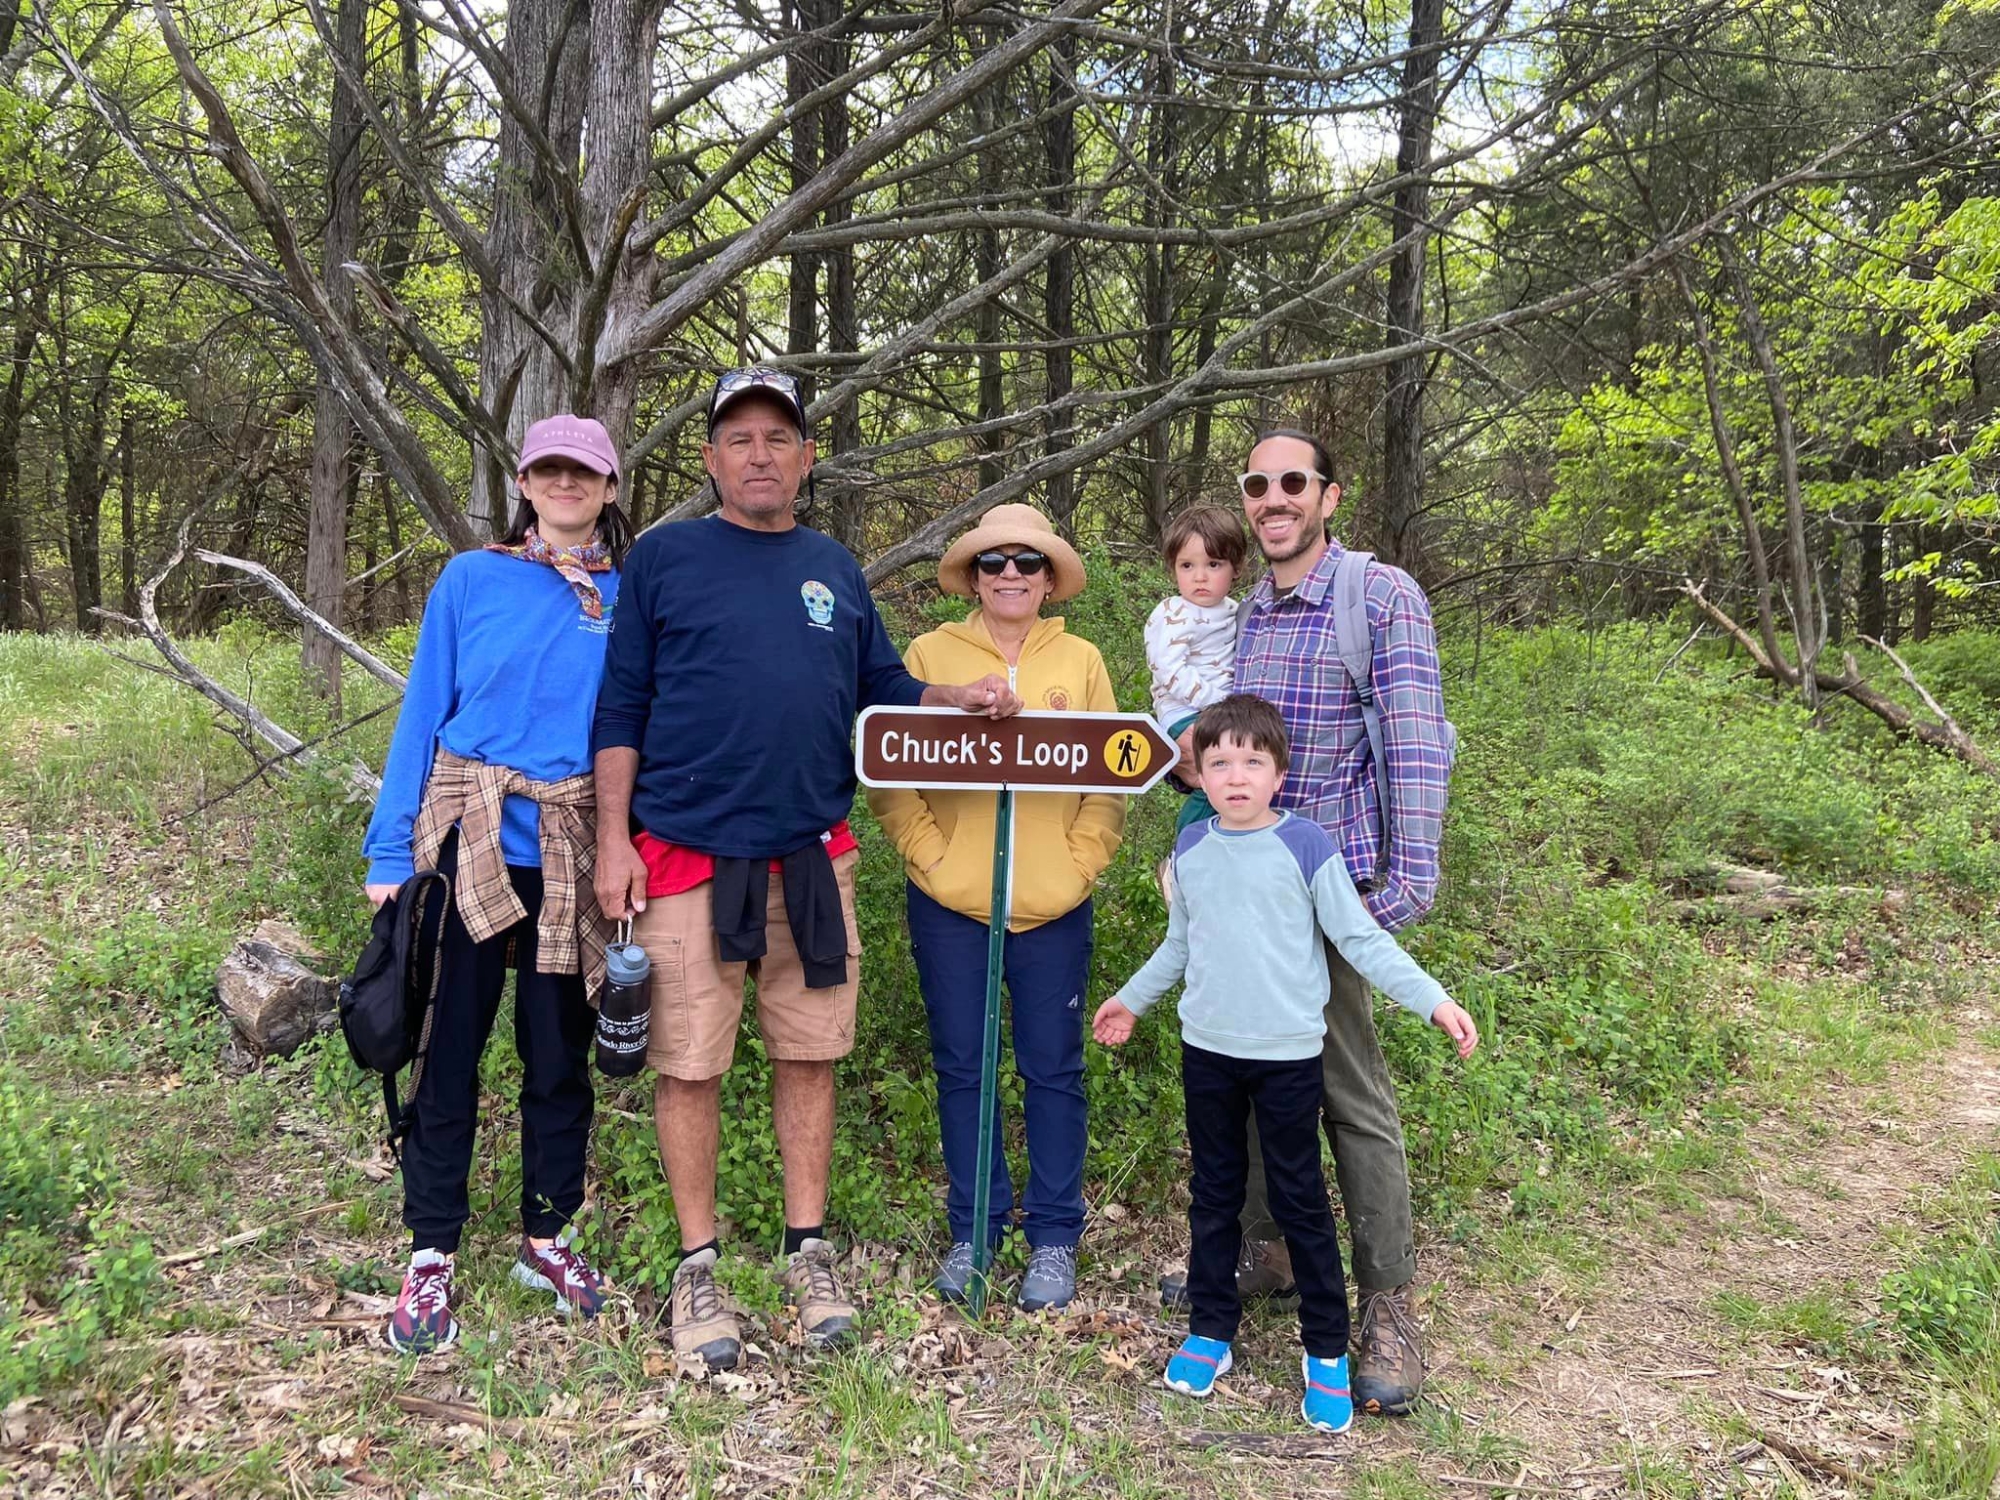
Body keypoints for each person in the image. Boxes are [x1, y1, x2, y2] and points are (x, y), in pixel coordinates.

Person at [590, 366, 1022, 1372]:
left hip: (810, 859)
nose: (757, 455)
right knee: (689, 1062)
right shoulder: (664, 560)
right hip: (686, 856)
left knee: (809, 1051)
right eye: (737, 438)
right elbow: (620, 708)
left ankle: (806, 1248)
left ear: (804, 457)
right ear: (709, 459)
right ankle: (698, 1266)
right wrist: (612, 839)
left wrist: (948, 697)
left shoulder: (832, 565)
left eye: (776, 438)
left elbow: (878, 686)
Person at [1162, 426, 1456, 1417]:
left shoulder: (1376, 599)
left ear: (1330, 496)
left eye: (1292, 482)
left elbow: (1414, 748)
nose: (1271, 497)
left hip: (1326, 901)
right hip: (1240, 894)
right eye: (1256, 484)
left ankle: (1384, 1304)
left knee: (1347, 1097)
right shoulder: (1247, 614)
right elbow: (1235, 752)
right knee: (1240, 1076)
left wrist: (1397, 894)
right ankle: (1268, 1251)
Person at [1093, 695, 1477, 1433]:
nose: (1236, 776)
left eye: (1253, 762)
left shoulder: (1306, 847)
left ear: (1280, 774)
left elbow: (1360, 942)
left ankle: (1326, 1349)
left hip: (1288, 1059)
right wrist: (1131, 1000)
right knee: (1215, 1194)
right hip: (1208, 1052)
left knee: (1300, 1199)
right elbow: (1180, 945)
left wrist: (1432, 1000)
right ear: (1198, 775)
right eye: (1220, 762)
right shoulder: (1194, 853)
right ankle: (1211, 1329)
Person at [362, 414, 631, 1355]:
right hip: (466, 838)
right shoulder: (471, 579)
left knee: (557, 1053)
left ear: (608, 487)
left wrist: (632, 846)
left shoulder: (625, 599)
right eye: (549, 470)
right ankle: (431, 1246)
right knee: (450, 1049)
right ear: (525, 481)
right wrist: (391, 854)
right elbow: (423, 713)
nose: (566, 485)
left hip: (569, 843)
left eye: (584, 473)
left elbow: (637, 734)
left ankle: (546, 1234)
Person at [868, 503, 1125, 1312]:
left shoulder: (1080, 659)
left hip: (1053, 909)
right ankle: (974, 1230)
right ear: (973, 575)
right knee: (963, 1069)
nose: (1010, 573)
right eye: (993, 561)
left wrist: (1082, 862)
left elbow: (1109, 778)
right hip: (953, 907)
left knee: (1055, 1071)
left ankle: (1053, 1239)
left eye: (1027, 561)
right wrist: (929, 855)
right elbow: (888, 766)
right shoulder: (929, 653)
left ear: (1050, 578)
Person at [1145, 505, 1249, 833]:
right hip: (1185, 712)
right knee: (1215, 783)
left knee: (1238, 781)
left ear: (1236, 568)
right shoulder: (1173, 612)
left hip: (1219, 712)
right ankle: (1187, 846)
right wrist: (1216, 702)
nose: (1199, 577)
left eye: (1213, 564)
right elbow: (1167, 666)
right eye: (1187, 565)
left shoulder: (1237, 611)